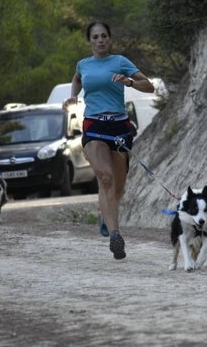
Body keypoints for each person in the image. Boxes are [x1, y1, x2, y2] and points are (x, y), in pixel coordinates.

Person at [64, 21, 154, 260]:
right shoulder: (83, 64)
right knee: (105, 178)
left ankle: (105, 213)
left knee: (118, 188)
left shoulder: (120, 62)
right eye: (95, 37)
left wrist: (130, 82)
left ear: (109, 39)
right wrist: (72, 97)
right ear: (90, 41)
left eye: (104, 36)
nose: (100, 40)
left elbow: (150, 87)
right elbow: (76, 78)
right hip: (94, 125)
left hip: (120, 126)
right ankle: (115, 235)